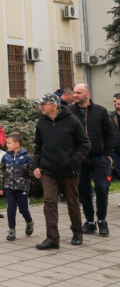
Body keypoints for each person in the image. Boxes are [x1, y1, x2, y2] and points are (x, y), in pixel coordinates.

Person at [33, 93, 91, 250]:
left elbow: (85, 144)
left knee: (72, 202)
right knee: (49, 203)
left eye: (43, 104)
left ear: (54, 105)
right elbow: (38, 146)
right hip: (49, 171)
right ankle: (52, 239)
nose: (41, 107)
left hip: (69, 171)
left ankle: (77, 233)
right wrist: (37, 165)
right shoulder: (42, 122)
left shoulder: (72, 121)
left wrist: (73, 162)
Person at [68, 83, 118, 236]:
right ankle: (90, 221)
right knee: (83, 191)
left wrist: (109, 154)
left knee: (102, 188)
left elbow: (109, 134)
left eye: (78, 93)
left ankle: (102, 220)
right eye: (74, 93)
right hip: (80, 158)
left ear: (87, 94)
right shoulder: (69, 111)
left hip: (100, 157)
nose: (75, 95)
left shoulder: (100, 111)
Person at [0, 132, 35, 241]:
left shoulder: (26, 157)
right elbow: (1, 171)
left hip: (21, 188)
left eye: (9, 143)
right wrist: (0, 186)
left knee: (23, 209)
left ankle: (29, 221)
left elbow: (30, 174)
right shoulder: (6, 156)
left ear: (17, 144)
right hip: (9, 187)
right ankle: (11, 230)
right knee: (11, 208)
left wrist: (27, 186)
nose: (7, 145)